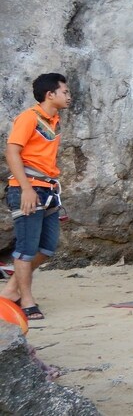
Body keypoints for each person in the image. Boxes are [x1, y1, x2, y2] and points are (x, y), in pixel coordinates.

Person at [1, 73, 71, 320]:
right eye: (65, 92)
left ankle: (10, 290)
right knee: (27, 248)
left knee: (47, 248)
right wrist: (26, 189)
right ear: (50, 94)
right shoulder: (29, 118)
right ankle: (27, 300)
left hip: (48, 188)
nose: (68, 96)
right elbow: (12, 152)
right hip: (28, 188)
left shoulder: (53, 120)